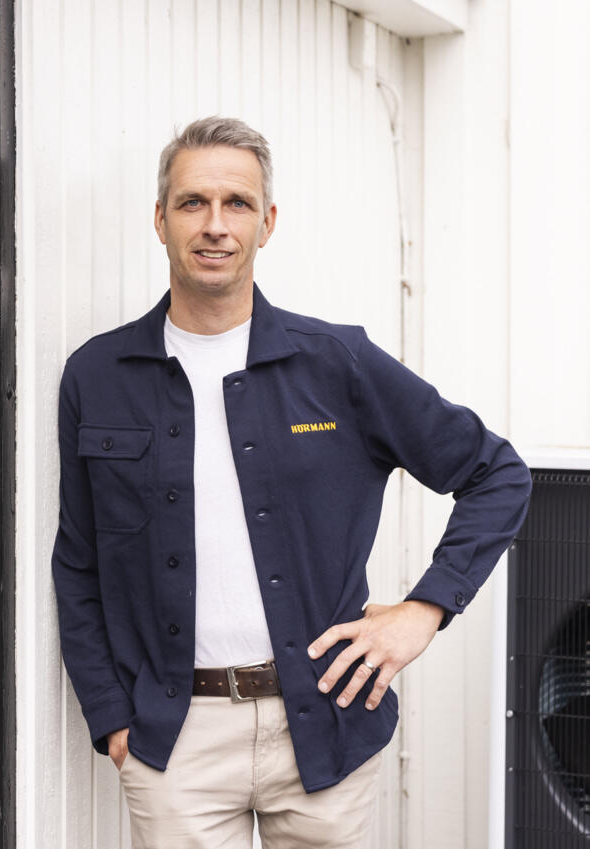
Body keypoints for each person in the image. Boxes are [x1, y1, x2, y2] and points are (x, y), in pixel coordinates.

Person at [50, 116, 532, 849]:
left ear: (267, 222)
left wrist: (425, 608)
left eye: (237, 203)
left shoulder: (339, 363)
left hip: (326, 721)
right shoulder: (97, 375)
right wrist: (111, 714)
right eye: (192, 202)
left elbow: (496, 471)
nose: (215, 225)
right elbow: (79, 562)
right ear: (160, 218)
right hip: (175, 737)